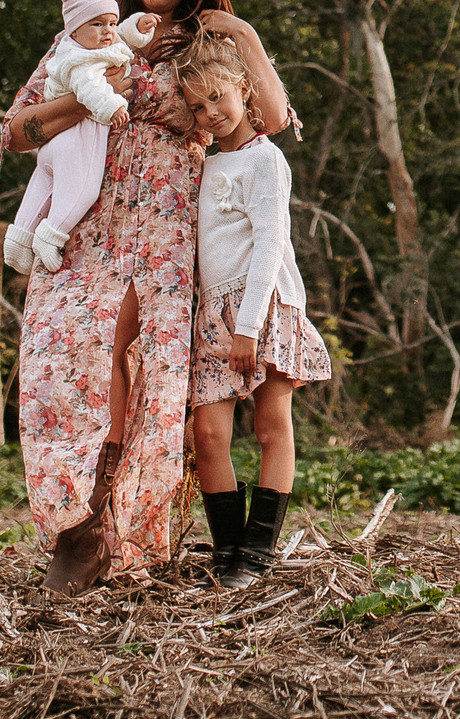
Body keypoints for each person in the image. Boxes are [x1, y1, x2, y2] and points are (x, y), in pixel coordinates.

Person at [0, 0, 293, 594]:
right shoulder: (89, 31)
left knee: (132, 362)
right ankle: (77, 519)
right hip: (86, 221)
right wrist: (92, 98)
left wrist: (239, 28)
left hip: (163, 227)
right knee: (57, 356)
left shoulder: (205, 43)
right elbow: (17, 131)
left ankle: (102, 528)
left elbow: (272, 117)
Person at [176, 31, 332, 587]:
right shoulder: (202, 165)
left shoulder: (265, 160)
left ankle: (258, 553)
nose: (211, 112)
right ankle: (227, 551)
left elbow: (270, 241)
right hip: (214, 313)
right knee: (210, 435)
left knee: (271, 426)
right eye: (198, 106)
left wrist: (248, 326)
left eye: (218, 97)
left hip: (263, 307)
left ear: (244, 90)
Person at [3, 0, 154, 276]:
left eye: (110, 23)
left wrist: (138, 27)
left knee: (43, 187)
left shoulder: (86, 45)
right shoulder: (79, 59)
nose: (107, 31)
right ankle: (51, 235)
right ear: (74, 27)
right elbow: (89, 88)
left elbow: (121, 37)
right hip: (78, 140)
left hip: (52, 146)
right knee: (82, 190)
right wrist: (112, 106)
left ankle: (18, 239)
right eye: (98, 25)